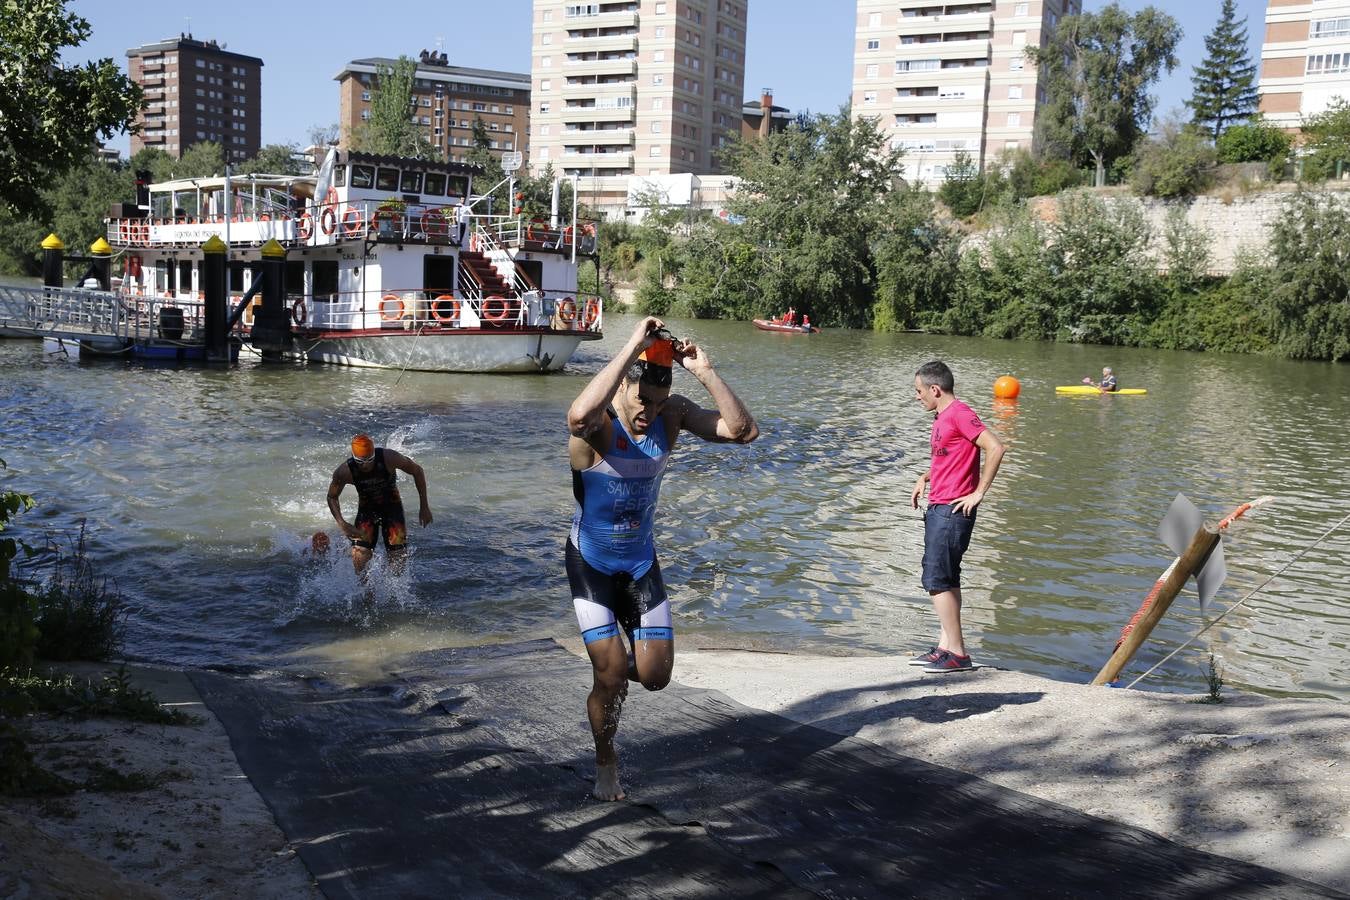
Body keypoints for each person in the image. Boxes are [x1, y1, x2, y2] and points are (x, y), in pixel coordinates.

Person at [566, 317, 758, 801]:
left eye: (656, 402)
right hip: (590, 563)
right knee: (610, 677)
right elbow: (576, 416)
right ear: (622, 385)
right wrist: (632, 344)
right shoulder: (600, 429)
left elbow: (743, 432)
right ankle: (605, 761)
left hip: (639, 562)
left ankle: (610, 668)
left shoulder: (671, 414)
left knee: (654, 676)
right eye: (639, 401)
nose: (647, 413)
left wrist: (706, 371)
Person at [908, 361, 1006, 673]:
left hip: (952, 510)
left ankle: (959, 654)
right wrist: (926, 476)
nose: (917, 397)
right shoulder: (943, 417)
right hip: (941, 505)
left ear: (935, 389)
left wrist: (979, 492)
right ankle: (945, 647)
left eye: (919, 391)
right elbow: (950, 457)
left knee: (936, 579)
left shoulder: (960, 414)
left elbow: (996, 447)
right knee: (947, 577)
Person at [326, 434, 432, 578]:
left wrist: (424, 506)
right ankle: (366, 595)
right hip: (367, 512)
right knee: (360, 557)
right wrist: (342, 523)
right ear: (353, 457)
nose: (366, 465)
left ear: (374, 453)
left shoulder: (389, 458)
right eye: (360, 461)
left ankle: (394, 594)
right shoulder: (345, 471)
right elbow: (332, 497)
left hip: (392, 508)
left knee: (398, 560)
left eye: (370, 459)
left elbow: (417, 471)